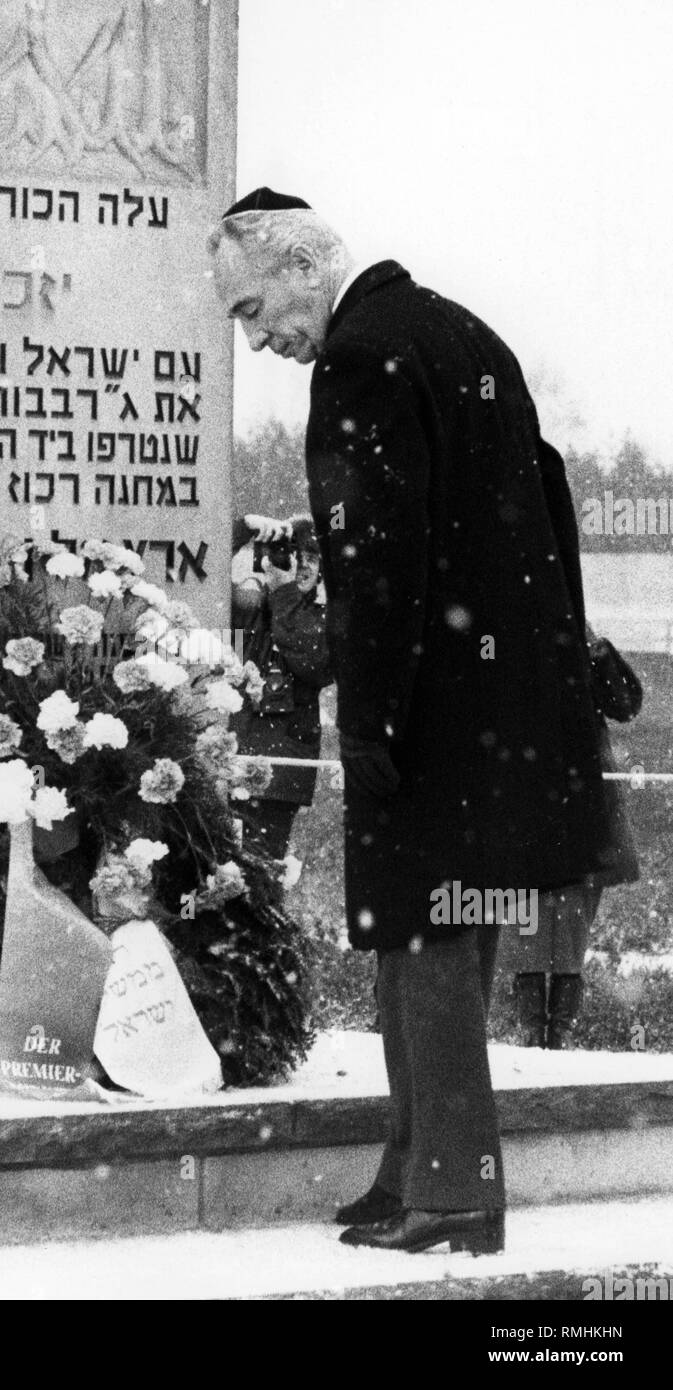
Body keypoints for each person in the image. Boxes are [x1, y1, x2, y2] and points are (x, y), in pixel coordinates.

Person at [208, 186, 633, 1256]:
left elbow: (377, 563)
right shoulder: (458, 330)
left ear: (305, 267)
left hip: (428, 709)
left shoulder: (361, 357)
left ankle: (453, 1192)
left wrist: (371, 724)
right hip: (502, 705)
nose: (259, 338)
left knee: (426, 942)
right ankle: (412, 1170)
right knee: (423, 939)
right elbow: (547, 503)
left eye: (254, 308)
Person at [505, 633, 641, 1047]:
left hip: (581, 801)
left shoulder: (586, 646)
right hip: (529, 794)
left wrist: (599, 653)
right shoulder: (511, 640)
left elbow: (625, 705)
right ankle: (532, 1034)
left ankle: (558, 1034)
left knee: (571, 924)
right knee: (525, 917)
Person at [230, 514, 332, 861]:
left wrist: (284, 592)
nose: (299, 566)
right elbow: (197, 581)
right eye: (290, 554)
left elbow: (314, 660)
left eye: (312, 558)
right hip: (228, 756)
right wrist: (240, 530)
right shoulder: (249, 604)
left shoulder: (326, 618)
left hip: (281, 766)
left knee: (261, 872)